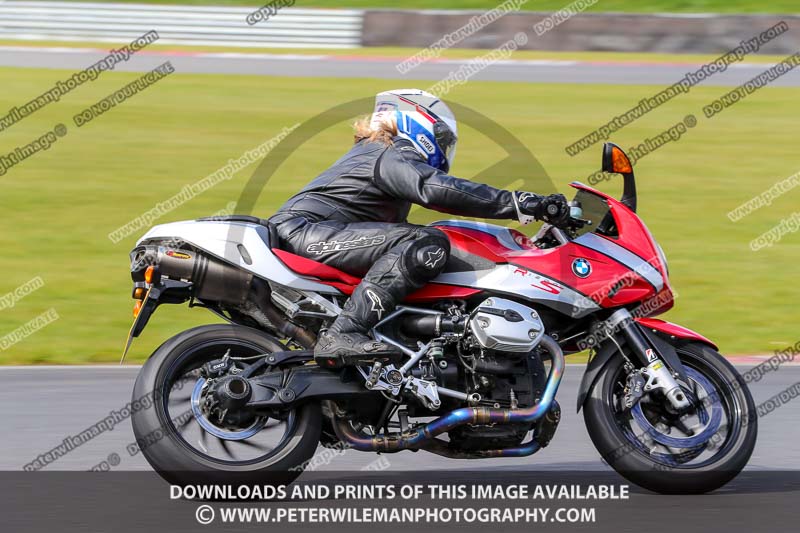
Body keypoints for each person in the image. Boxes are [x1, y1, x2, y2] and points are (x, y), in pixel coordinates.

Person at [269, 89, 569, 368]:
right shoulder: (388, 150)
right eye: (442, 137)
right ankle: (345, 332)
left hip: (312, 232)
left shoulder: (376, 152)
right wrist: (521, 203)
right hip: (306, 231)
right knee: (426, 242)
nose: (444, 147)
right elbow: (434, 188)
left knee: (422, 245)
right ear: (413, 122)